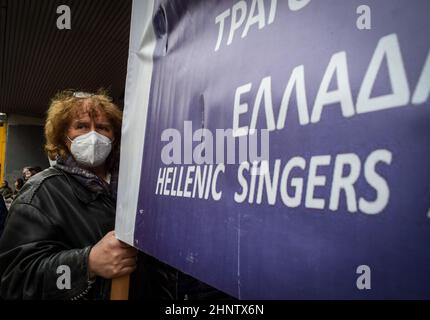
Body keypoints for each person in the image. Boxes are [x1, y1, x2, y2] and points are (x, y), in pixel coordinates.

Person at [0, 90, 137, 299]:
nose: (93, 136)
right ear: (63, 137)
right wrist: (87, 263)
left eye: (102, 128)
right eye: (81, 126)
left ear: (114, 136)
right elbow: (16, 282)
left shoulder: (134, 185)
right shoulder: (39, 193)